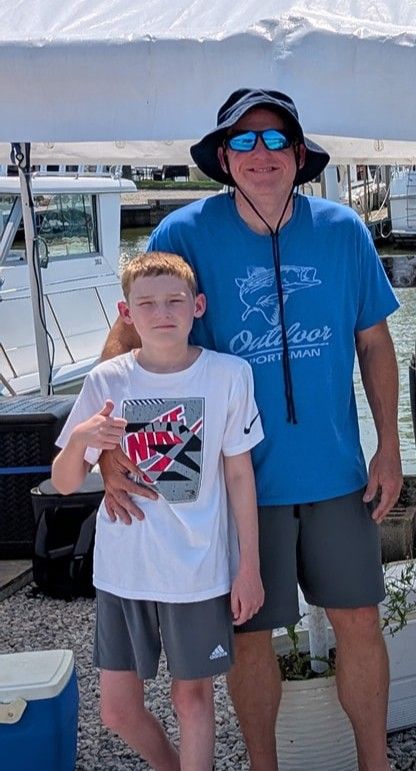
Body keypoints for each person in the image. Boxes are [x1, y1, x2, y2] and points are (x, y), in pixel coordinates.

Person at [97, 88, 403, 771]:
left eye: (273, 141)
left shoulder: (344, 231)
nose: (259, 156)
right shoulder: (181, 236)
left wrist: (390, 443)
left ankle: (374, 762)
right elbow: (124, 349)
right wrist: (108, 453)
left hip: (337, 473)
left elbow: (376, 344)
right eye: (243, 141)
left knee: (359, 620)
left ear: (298, 155)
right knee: (250, 634)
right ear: (223, 158)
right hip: (227, 485)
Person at [54, 252, 265, 771]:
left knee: (191, 700)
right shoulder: (106, 382)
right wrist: (82, 437)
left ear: (198, 305)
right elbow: (63, 483)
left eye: (174, 300)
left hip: (196, 571)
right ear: (127, 313)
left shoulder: (229, 375)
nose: (162, 312)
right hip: (123, 572)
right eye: (146, 303)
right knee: (117, 710)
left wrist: (249, 567)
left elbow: (240, 475)